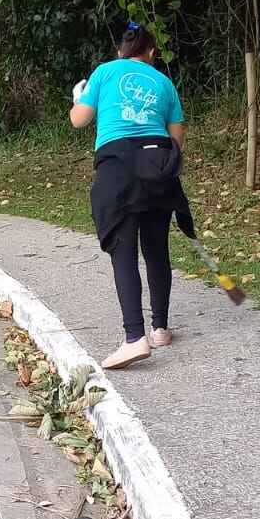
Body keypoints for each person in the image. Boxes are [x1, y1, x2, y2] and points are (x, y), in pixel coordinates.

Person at [70, 22, 193, 370]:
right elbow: (177, 141)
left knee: (123, 250)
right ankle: (160, 329)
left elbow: (79, 120)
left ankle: (133, 337)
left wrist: (78, 97)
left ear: (121, 50)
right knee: (157, 248)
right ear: (151, 52)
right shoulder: (164, 82)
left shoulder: (105, 72)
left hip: (118, 166)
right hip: (157, 165)